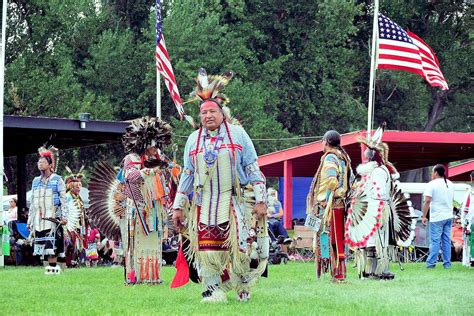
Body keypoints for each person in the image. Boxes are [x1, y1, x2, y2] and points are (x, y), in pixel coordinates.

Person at [172, 68, 268, 303]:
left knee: (241, 248)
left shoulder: (237, 135)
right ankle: (212, 290)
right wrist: (177, 206)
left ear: (222, 113)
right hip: (204, 203)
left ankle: (242, 288)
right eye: (204, 113)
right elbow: (187, 173)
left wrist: (261, 200)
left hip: (234, 201)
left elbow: (252, 168)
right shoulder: (193, 140)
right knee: (207, 249)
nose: (208, 116)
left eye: (212, 111)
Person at [346, 129, 416, 280]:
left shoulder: (378, 171)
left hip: (378, 210)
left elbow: (379, 194)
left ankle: (379, 270)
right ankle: (370, 270)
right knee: (372, 240)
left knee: (379, 241)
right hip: (373, 210)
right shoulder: (375, 171)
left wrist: (372, 206)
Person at [306, 130, 352, 283]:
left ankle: (338, 274)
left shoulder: (331, 157)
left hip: (331, 206)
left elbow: (331, 181)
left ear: (325, 141)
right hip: (338, 205)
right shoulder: (343, 157)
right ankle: (338, 273)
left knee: (332, 238)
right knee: (336, 239)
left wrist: (326, 199)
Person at [27, 146, 69, 274]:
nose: (40, 164)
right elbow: (33, 202)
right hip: (39, 219)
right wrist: (30, 220)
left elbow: (63, 199)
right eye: (39, 162)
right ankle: (48, 269)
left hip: (53, 217)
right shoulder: (35, 181)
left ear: (50, 164)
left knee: (53, 244)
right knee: (41, 244)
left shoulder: (57, 180)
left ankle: (54, 268)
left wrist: (64, 216)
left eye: (43, 162)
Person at [422, 164, 455, 269]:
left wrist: (424, 216)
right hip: (448, 215)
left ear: (435, 173)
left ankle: (431, 263)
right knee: (446, 240)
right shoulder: (450, 184)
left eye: (432, 172)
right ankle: (447, 264)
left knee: (435, 241)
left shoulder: (431, 184)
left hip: (437, 216)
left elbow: (427, 201)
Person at [461, 171, 473, 267]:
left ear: (472, 179)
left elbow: (466, 209)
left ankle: (472, 260)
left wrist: (464, 222)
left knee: (471, 240)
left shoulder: (471, 193)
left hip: (471, 221)